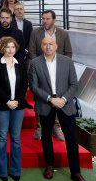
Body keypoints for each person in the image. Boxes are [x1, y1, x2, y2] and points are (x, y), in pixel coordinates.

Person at [29, 36, 90, 181]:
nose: (48, 47)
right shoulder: (35, 63)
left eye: (51, 44)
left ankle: (75, 172)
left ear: (56, 46)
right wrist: (50, 99)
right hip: (46, 104)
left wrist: (63, 99)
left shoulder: (67, 62)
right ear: (41, 46)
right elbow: (34, 87)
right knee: (46, 136)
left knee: (71, 138)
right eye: (45, 44)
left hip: (65, 103)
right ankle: (49, 166)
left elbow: (74, 84)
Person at [0, 36, 32, 181]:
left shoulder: (20, 64)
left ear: (16, 49)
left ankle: (15, 170)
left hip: (18, 106)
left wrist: (17, 101)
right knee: (1, 138)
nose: (10, 49)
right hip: (2, 106)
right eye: (7, 47)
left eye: (13, 47)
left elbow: (24, 84)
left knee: (16, 138)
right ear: (2, 48)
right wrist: (7, 101)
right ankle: (1, 171)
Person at [29, 9, 72, 141]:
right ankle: (39, 127)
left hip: (59, 73)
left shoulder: (63, 34)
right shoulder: (35, 32)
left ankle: (56, 127)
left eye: (47, 19)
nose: (44, 21)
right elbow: (32, 52)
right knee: (40, 98)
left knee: (58, 97)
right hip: (40, 70)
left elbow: (68, 53)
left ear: (54, 20)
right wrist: (40, 66)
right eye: (43, 18)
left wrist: (61, 67)